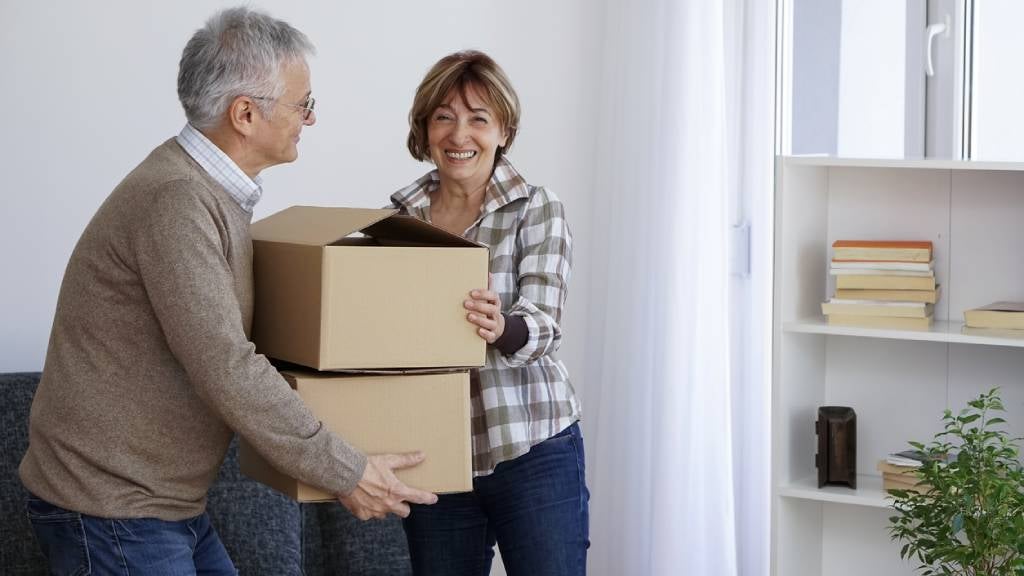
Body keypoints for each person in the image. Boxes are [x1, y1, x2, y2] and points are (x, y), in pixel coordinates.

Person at [19, 7, 436, 574]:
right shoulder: (179, 201)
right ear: (245, 113)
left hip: (159, 505)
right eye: (302, 104)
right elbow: (226, 364)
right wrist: (347, 470)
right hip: (111, 509)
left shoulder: (210, 194)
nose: (309, 120)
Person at [388, 50, 589, 576]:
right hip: (437, 457)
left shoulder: (537, 207)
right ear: (424, 128)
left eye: (479, 119)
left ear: (503, 129)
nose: (460, 136)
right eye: (444, 117)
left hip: (531, 446)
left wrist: (502, 326)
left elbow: (545, 322)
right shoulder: (397, 221)